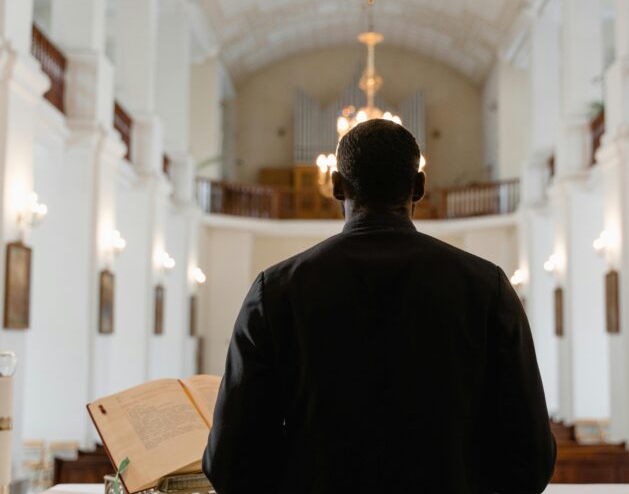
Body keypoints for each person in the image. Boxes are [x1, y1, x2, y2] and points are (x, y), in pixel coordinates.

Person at [203, 119, 556, 493]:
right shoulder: (488, 288)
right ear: (418, 187)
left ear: (336, 185)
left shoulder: (274, 292)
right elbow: (530, 459)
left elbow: (231, 463)